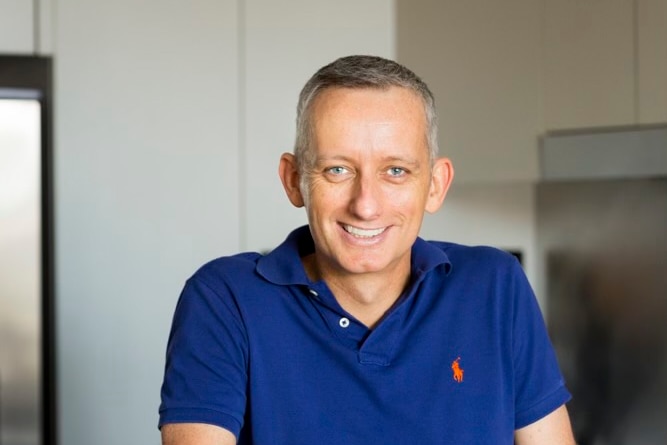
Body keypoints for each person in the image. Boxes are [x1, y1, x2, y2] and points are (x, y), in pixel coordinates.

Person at [159, 55, 576, 444]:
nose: (365, 205)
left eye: (395, 171)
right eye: (337, 169)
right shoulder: (225, 299)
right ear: (293, 180)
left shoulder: (494, 286)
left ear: (435, 185)